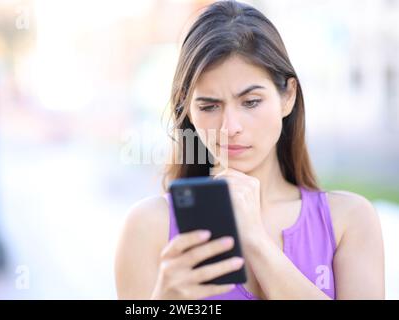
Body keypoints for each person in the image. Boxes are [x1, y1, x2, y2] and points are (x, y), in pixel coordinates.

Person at [114, 0, 384, 300]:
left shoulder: (348, 220)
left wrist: (256, 241)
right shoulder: (149, 226)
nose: (230, 127)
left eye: (251, 102)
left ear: (288, 97)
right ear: (188, 111)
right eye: (209, 106)